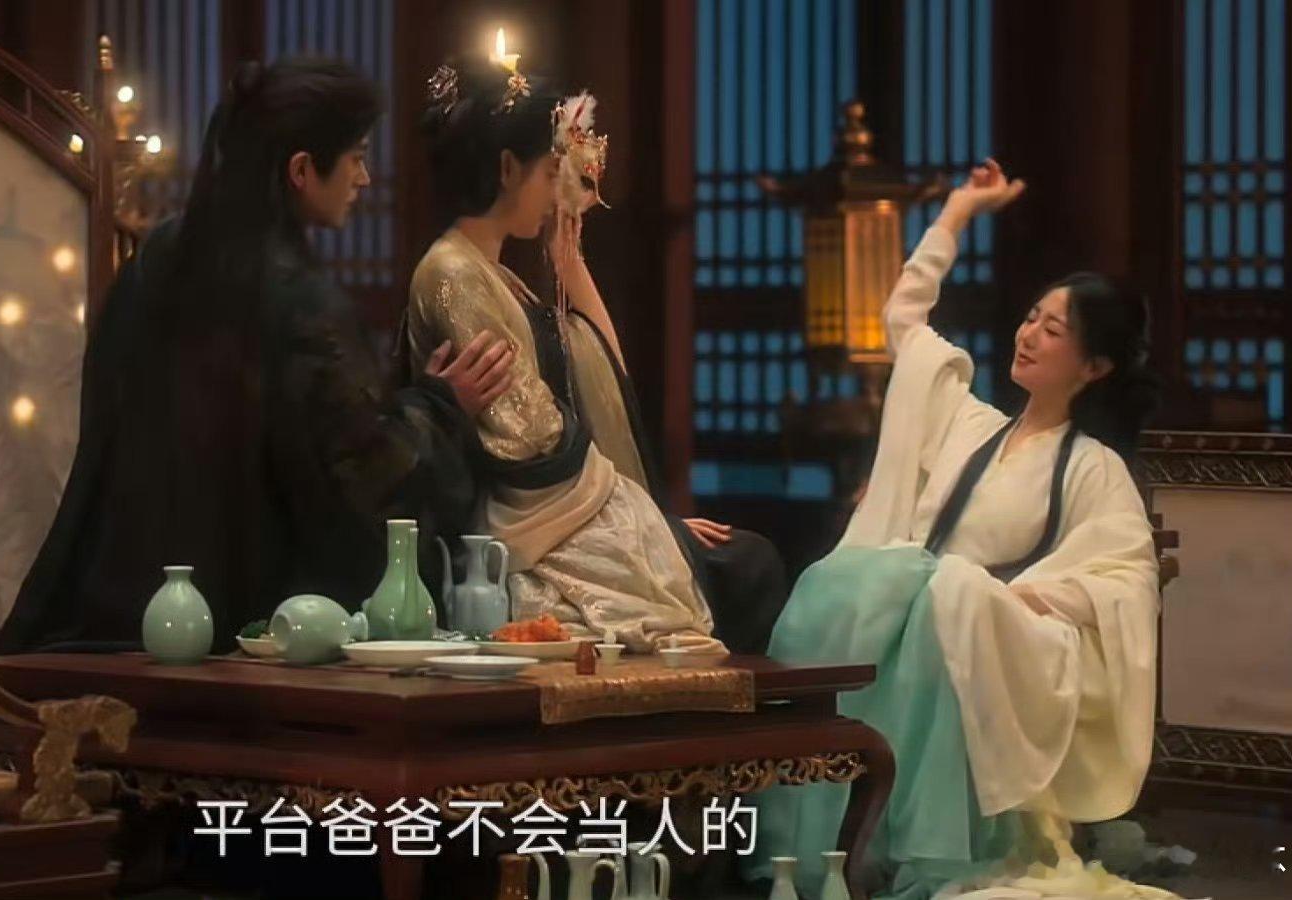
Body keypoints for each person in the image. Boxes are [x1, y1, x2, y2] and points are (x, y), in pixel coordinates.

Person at [748, 160, 1166, 899]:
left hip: (982, 632)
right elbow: (905, 323)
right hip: (906, 614)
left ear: (1094, 365)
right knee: (835, 584)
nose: (1029, 335)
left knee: (948, 592)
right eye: (1031, 318)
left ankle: (925, 849)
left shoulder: (1092, 468)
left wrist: (1021, 597)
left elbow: (1125, 575)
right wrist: (957, 214)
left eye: (1054, 330)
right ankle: (823, 843)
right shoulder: (969, 425)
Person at [0, 58, 513, 653]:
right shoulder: (297, 296)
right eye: (356, 158)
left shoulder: (161, 255)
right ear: (302, 170)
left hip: (128, 602)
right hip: (249, 630)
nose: (364, 178)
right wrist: (442, 409)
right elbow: (358, 481)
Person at [403, 55, 719, 651]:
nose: (556, 192)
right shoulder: (454, 274)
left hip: (557, 504)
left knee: (731, 563)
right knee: (726, 576)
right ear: (506, 168)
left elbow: (598, 371)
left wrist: (568, 261)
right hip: (528, 524)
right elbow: (525, 433)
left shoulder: (492, 273)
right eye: (550, 173)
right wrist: (635, 510)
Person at [539, 91, 792, 655]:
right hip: (562, 525)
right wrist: (655, 526)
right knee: (745, 565)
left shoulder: (556, 268)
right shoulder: (492, 285)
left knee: (749, 556)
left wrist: (658, 521)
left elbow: (609, 376)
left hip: (612, 509)